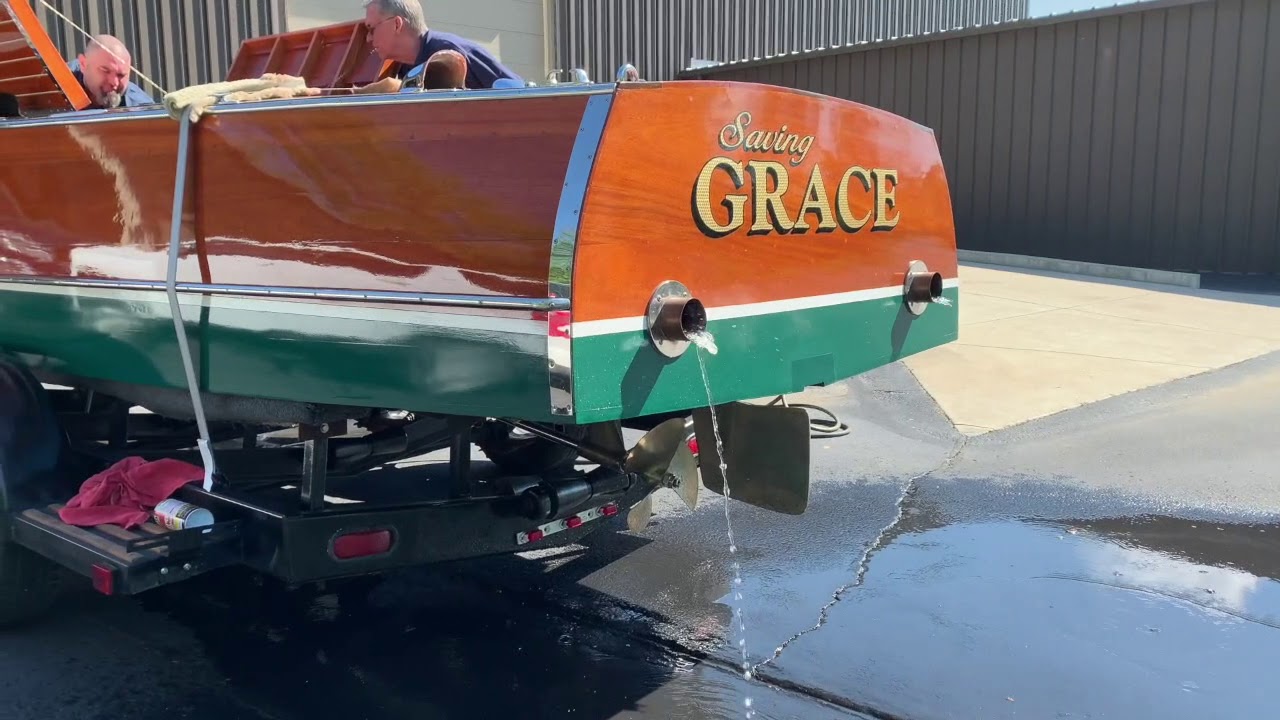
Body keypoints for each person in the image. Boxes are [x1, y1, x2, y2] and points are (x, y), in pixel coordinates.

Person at [360, 0, 523, 90]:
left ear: (396, 24)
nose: (368, 38)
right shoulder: (400, 67)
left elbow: (518, 93)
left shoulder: (453, 50)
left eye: (371, 29)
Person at [67, 34, 153, 109]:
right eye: (105, 70)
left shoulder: (141, 109)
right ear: (83, 64)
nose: (114, 82)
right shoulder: (57, 81)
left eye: (121, 75)